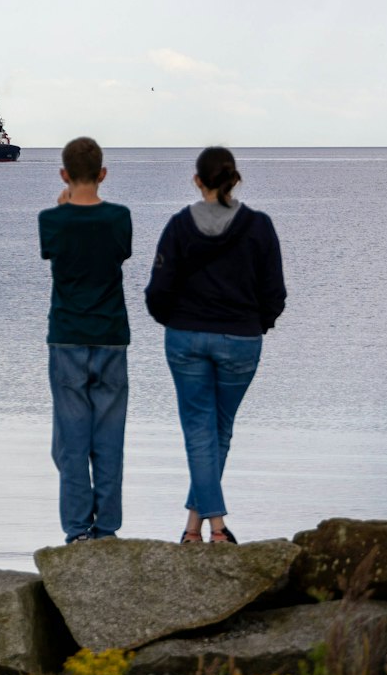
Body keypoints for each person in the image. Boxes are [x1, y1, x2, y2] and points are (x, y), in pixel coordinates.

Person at [145, 147, 286, 545]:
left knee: (199, 431)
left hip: (186, 338)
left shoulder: (178, 227)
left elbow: (157, 291)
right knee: (218, 431)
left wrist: (173, 322)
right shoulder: (259, 227)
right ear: (234, 179)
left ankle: (205, 528)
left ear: (197, 181)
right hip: (241, 340)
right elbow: (274, 292)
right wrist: (258, 324)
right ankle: (206, 528)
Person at [38, 136, 132, 545]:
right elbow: (120, 252)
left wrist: (63, 208)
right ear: (103, 174)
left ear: (64, 174)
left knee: (72, 441)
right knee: (109, 439)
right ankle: (107, 528)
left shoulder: (51, 220)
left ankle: (78, 531)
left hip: (67, 338)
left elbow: (54, 249)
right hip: (111, 336)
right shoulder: (119, 218)